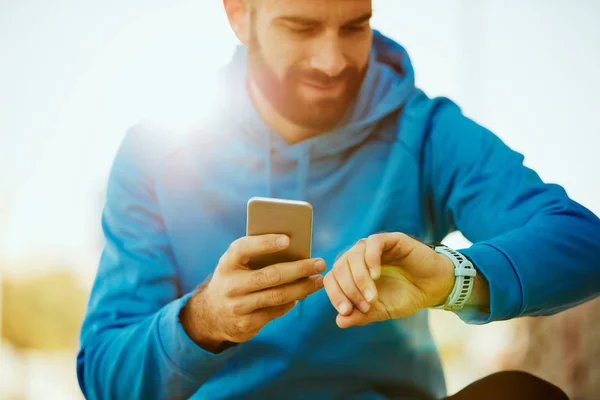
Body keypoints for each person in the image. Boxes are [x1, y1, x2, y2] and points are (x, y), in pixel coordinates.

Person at [76, 0, 599, 399]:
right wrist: (204, 320)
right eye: (301, 27)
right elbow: (104, 373)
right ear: (238, 14)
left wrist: (451, 278)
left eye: (355, 25)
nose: (331, 60)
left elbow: (582, 241)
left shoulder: (425, 132)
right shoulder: (155, 153)